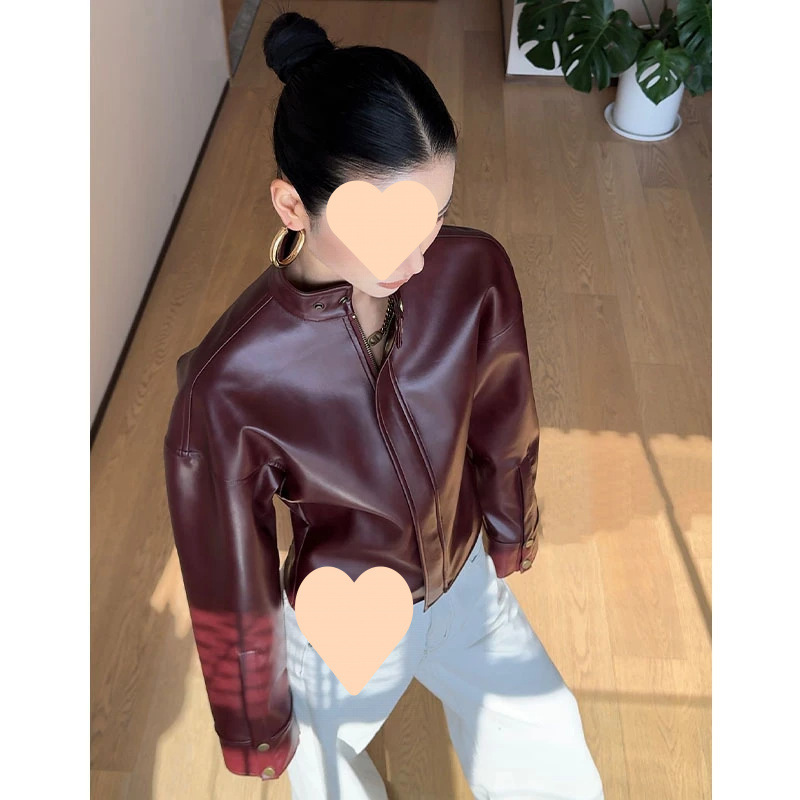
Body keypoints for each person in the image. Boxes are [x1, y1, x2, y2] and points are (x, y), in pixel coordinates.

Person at [162, 11, 605, 800]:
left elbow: (505, 414)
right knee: (324, 777)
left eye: (434, 216)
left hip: (465, 582)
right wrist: (255, 723)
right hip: (339, 619)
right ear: (292, 206)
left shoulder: (473, 274)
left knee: (551, 742)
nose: (417, 255)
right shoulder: (225, 386)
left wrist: (509, 525)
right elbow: (227, 575)